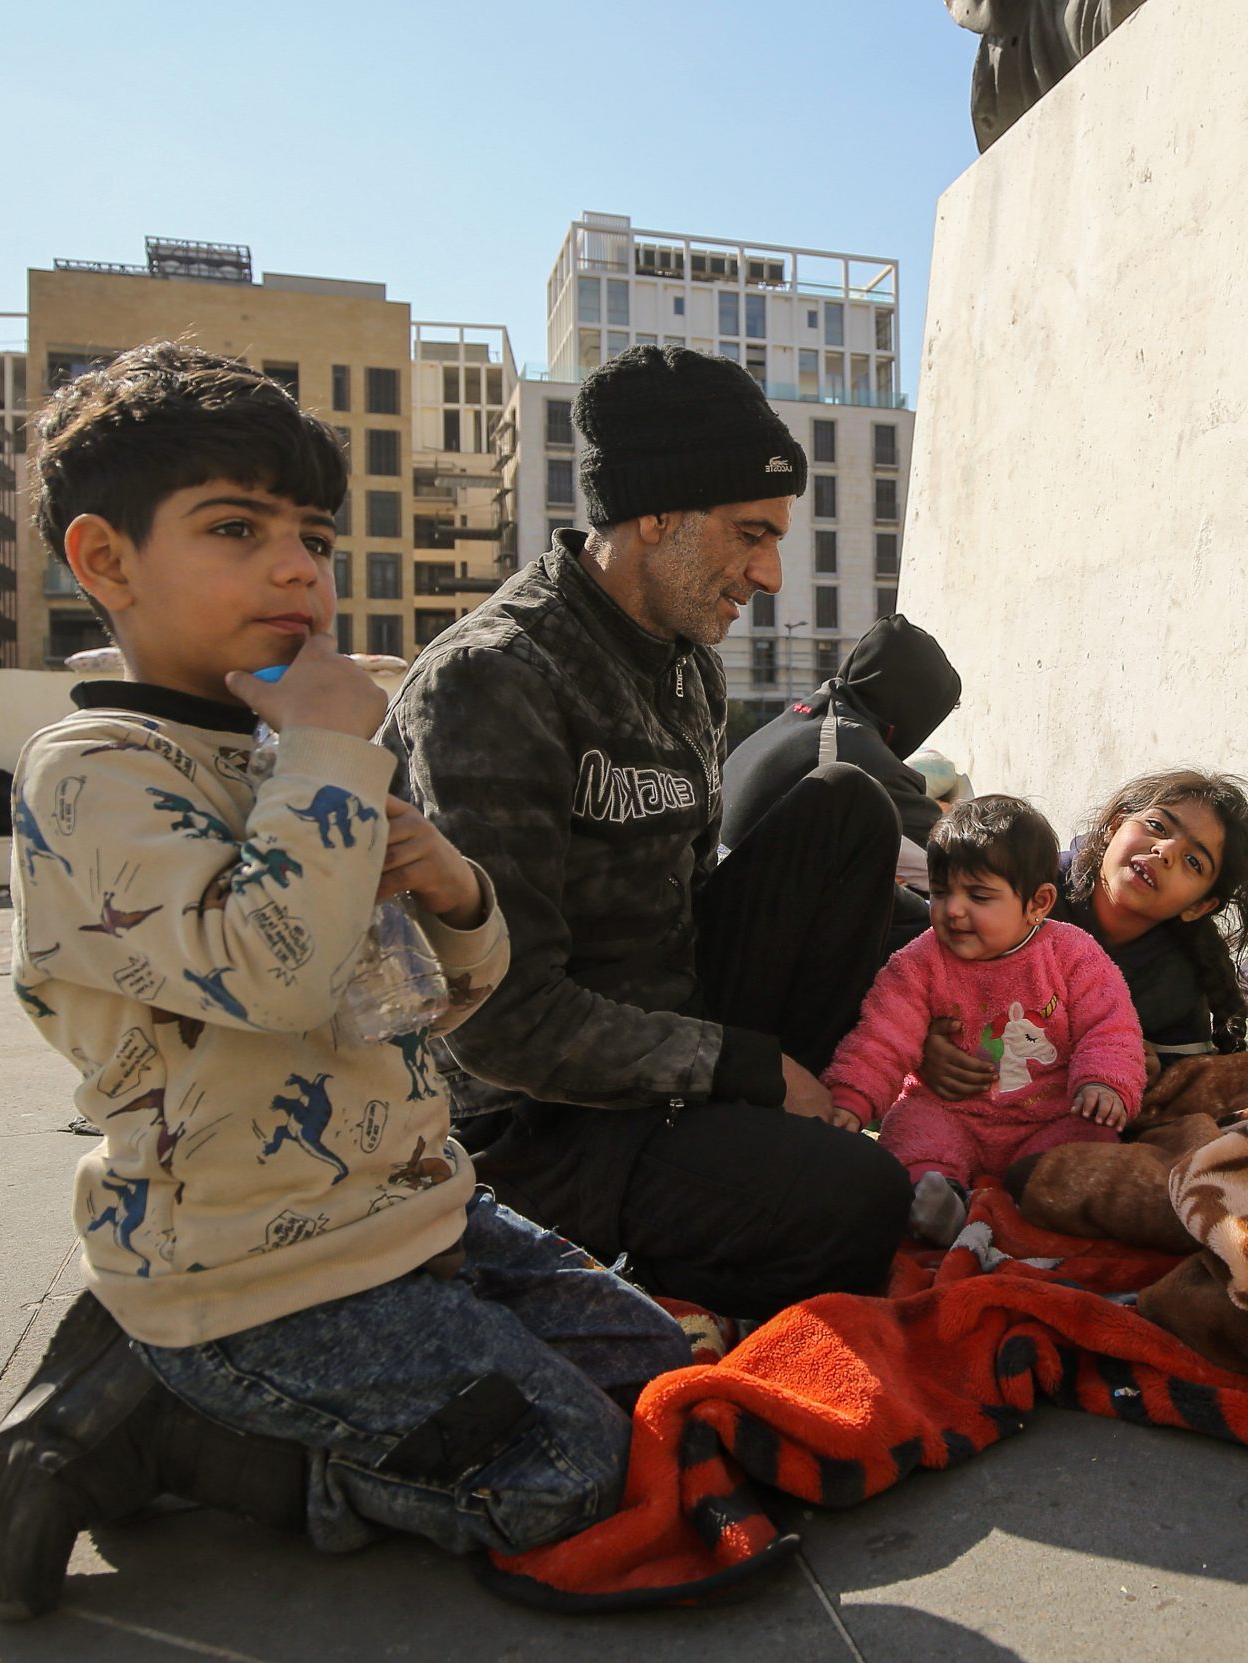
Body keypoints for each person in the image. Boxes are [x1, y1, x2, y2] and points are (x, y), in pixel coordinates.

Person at [0, 345, 693, 1622]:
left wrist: (453, 894)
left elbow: (430, 1002)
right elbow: (277, 981)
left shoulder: (292, 759)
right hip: (257, 1270)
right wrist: (324, 758)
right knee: (570, 1473)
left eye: (313, 536)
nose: (299, 569)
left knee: (656, 1371)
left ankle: (222, 1393)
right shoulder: (94, 774)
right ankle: (164, 1429)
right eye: (236, 530)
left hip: (415, 1209)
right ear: (106, 560)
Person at [383, 347, 912, 1322]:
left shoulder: (687, 667)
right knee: (863, 1204)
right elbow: (502, 1024)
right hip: (533, 1119)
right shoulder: (495, 678)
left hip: (667, 1045)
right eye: (751, 534)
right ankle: (592, 1272)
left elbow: (696, 900)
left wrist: (960, 973)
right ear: (656, 516)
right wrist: (747, 1068)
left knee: (848, 809)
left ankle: (761, 1140)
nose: (768, 573)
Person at [823, 796, 1147, 1219]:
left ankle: (1040, 1187)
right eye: (941, 892)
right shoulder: (917, 963)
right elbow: (881, 1037)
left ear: (1038, 903)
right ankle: (933, 1196)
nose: (953, 910)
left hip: (1047, 1115)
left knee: (1091, 1132)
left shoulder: (1072, 954)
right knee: (911, 1126)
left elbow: (1110, 1027)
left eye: (978, 896)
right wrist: (850, 1100)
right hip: (949, 1111)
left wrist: (1103, 1084)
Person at [916, 770, 1248, 1105]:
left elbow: (1183, 1073)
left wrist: (1152, 1069)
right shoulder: (1023, 890)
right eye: (1157, 826)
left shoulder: (1176, 978)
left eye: (1194, 862)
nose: (1165, 851)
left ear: (1199, 906)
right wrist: (923, 1045)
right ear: (1115, 824)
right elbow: (914, 973)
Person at [720, 611, 963, 909]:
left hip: (726, 905)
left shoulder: (804, 720)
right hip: (750, 921)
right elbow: (952, 868)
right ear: (913, 706)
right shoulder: (848, 749)